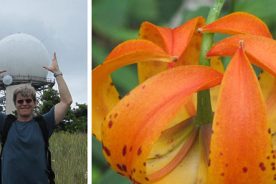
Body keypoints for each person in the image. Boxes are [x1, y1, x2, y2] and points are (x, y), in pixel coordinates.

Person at [0, 53, 72, 184]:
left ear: (35, 103)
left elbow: (66, 101)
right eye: (20, 101)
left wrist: (57, 73)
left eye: (28, 100)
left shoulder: (44, 123)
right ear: (15, 104)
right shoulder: (5, 123)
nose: (24, 104)